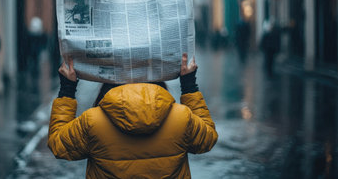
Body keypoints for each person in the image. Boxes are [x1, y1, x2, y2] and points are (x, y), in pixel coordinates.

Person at [48, 53, 218, 178]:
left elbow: (59, 145)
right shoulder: (182, 118)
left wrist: (67, 90)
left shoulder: (92, 122)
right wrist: (189, 87)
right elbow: (208, 139)